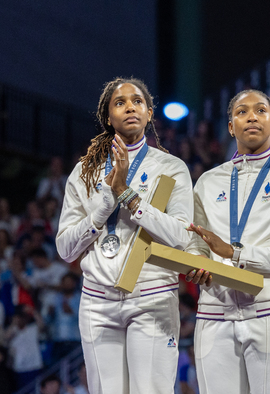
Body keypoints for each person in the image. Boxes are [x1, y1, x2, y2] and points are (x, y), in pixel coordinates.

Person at [56, 77, 201, 394]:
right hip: (96, 301)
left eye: (137, 101)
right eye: (119, 103)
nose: (130, 107)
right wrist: (100, 211)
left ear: (149, 113)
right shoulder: (84, 172)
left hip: (151, 295)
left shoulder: (171, 167)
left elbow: (180, 237)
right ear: (108, 117)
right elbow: (65, 249)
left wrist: (129, 198)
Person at [185, 89, 270, 393]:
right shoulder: (207, 182)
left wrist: (235, 254)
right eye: (242, 111)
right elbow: (195, 245)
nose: (252, 117)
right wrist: (198, 264)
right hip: (214, 312)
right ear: (231, 126)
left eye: (261, 110)